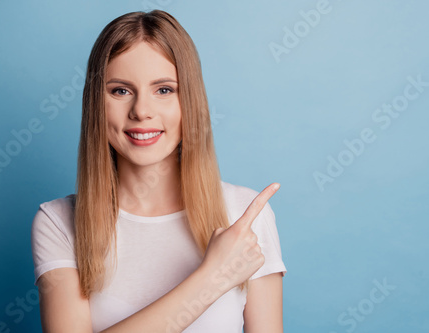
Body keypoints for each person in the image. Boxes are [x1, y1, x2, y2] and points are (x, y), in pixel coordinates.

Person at [31, 9, 287, 333]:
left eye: (164, 90)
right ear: (96, 102)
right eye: (120, 90)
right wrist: (214, 277)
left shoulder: (245, 216)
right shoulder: (58, 222)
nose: (141, 111)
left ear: (189, 102)